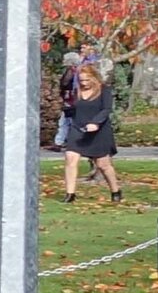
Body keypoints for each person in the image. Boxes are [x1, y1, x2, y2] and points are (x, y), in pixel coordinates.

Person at [54, 57, 125, 204]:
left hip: (98, 131)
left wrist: (95, 123)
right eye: (81, 80)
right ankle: (70, 194)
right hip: (78, 128)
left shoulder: (104, 90)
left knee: (103, 165)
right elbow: (75, 107)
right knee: (70, 158)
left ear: (94, 78)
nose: (84, 83)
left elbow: (106, 110)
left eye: (87, 80)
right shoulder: (77, 91)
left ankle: (115, 190)